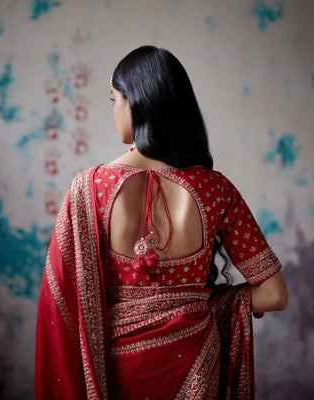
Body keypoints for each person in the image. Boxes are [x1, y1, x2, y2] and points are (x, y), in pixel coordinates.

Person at [35, 46, 288, 400]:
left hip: (118, 369)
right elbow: (274, 295)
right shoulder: (216, 189)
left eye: (113, 99)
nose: (113, 111)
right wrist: (197, 305)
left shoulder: (89, 189)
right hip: (196, 362)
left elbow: (62, 304)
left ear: (133, 103)